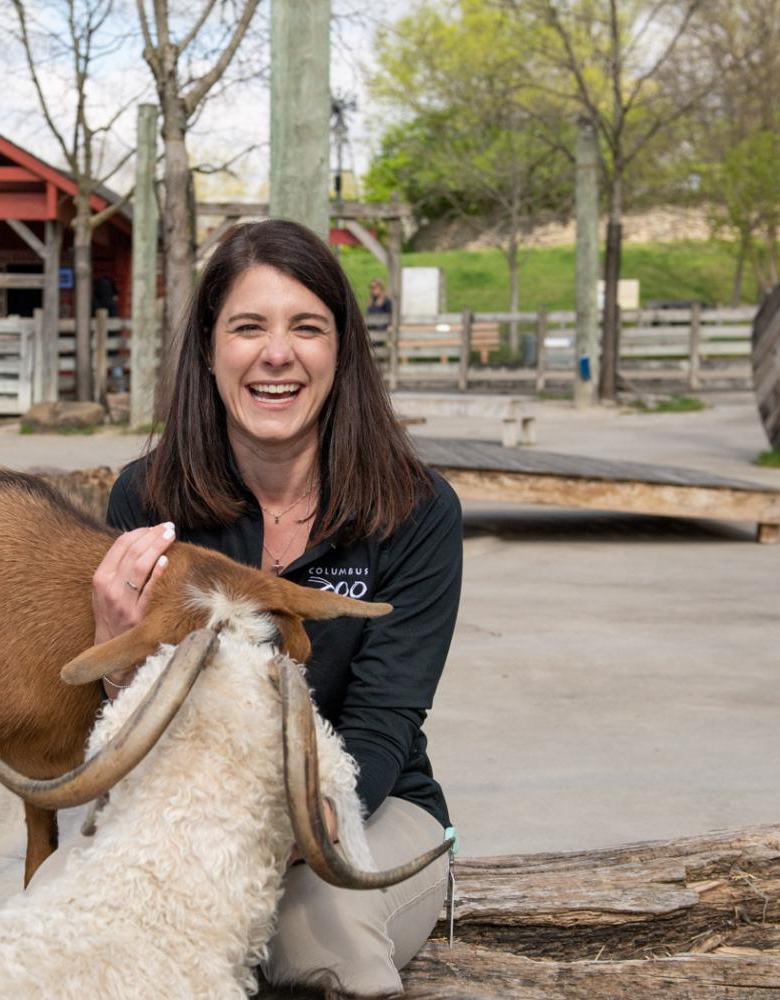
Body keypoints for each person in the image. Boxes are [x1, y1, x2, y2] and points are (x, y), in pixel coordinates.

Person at [81, 219, 462, 996]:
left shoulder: (417, 510)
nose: (277, 354)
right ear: (210, 350)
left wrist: (274, 834)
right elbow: (134, 729)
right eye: (248, 326)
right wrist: (114, 657)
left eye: (307, 328)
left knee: (325, 929)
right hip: (189, 809)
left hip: (358, 804)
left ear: (341, 353)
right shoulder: (146, 499)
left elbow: (381, 728)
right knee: (80, 915)